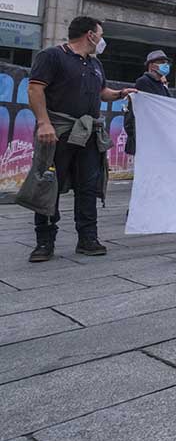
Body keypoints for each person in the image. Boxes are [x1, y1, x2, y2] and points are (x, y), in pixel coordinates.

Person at [24, 17, 136, 262]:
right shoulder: (52, 56)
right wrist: (44, 122)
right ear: (90, 35)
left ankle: (88, 238)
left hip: (89, 135)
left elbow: (101, 92)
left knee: (88, 186)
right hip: (59, 131)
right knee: (49, 185)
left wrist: (120, 94)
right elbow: (35, 89)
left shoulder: (95, 65)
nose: (101, 39)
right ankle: (45, 241)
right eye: (100, 34)